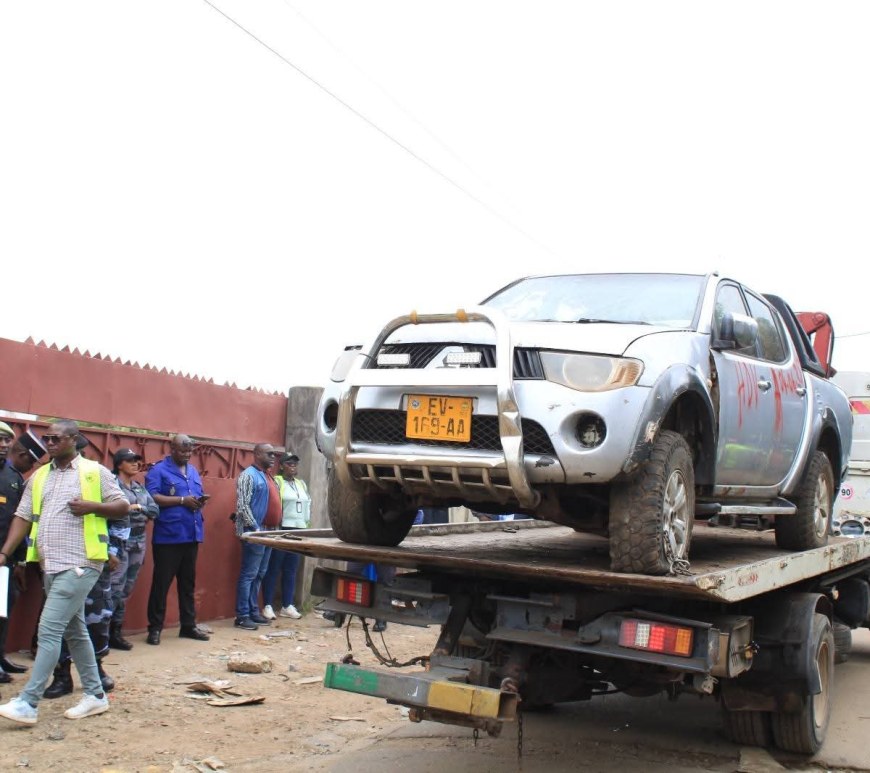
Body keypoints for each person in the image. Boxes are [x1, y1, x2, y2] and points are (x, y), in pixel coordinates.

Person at [0, 420, 129, 725]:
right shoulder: (39, 476)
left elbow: (123, 505)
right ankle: (95, 695)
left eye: (56, 438)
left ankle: (29, 701)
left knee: (49, 629)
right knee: (75, 630)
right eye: (47, 438)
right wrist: (5, 553)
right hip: (51, 564)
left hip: (82, 563)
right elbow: (22, 516)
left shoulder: (94, 472)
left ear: (74, 439)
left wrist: (92, 506)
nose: (50, 443)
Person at [144, 434, 210, 645]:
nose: (187, 454)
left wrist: (199, 502)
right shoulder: (158, 470)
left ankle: (188, 625)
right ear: (171, 448)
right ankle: (155, 628)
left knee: (187, 584)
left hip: (191, 534)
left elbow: (195, 493)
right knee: (161, 584)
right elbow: (152, 497)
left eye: (190, 451)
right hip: (168, 536)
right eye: (183, 450)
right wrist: (182, 500)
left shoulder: (193, 471)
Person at [0, 426, 43, 688]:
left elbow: (18, 522)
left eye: (6, 440)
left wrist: (19, 561)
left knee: (3, 610)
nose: (3, 445)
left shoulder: (13, 477)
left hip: (5, 559)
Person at [108, 448, 158, 650]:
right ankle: (103, 631)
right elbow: (113, 511)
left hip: (138, 540)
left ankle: (115, 632)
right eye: (130, 460)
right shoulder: (112, 485)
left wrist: (138, 508)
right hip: (119, 541)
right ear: (119, 464)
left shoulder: (139, 487)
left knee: (127, 587)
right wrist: (131, 509)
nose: (136, 463)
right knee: (114, 587)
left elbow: (154, 510)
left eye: (137, 460)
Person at [233, 443, 281, 630]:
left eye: (274, 454)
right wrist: (255, 529)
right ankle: (242, 615)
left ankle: (253, 611)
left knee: (260, 574)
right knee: (249, 574)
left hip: (268, 533)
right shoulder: (248, 475)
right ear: (258, 454)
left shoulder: (268, 476)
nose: (273, 457)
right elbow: (242, 506)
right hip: (255, 533)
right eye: (269, 454)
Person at [261, 453, 310, 620]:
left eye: (295, 463)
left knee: (291, 568)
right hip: (282, 529)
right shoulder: (277, 481)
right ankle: (267, 605)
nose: (293, 466)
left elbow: (307, 505)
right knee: (274, 567)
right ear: (281, 466)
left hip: (299, 531)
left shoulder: (301, 484)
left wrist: (306, 527)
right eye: (289, 464)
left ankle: (287, 605)